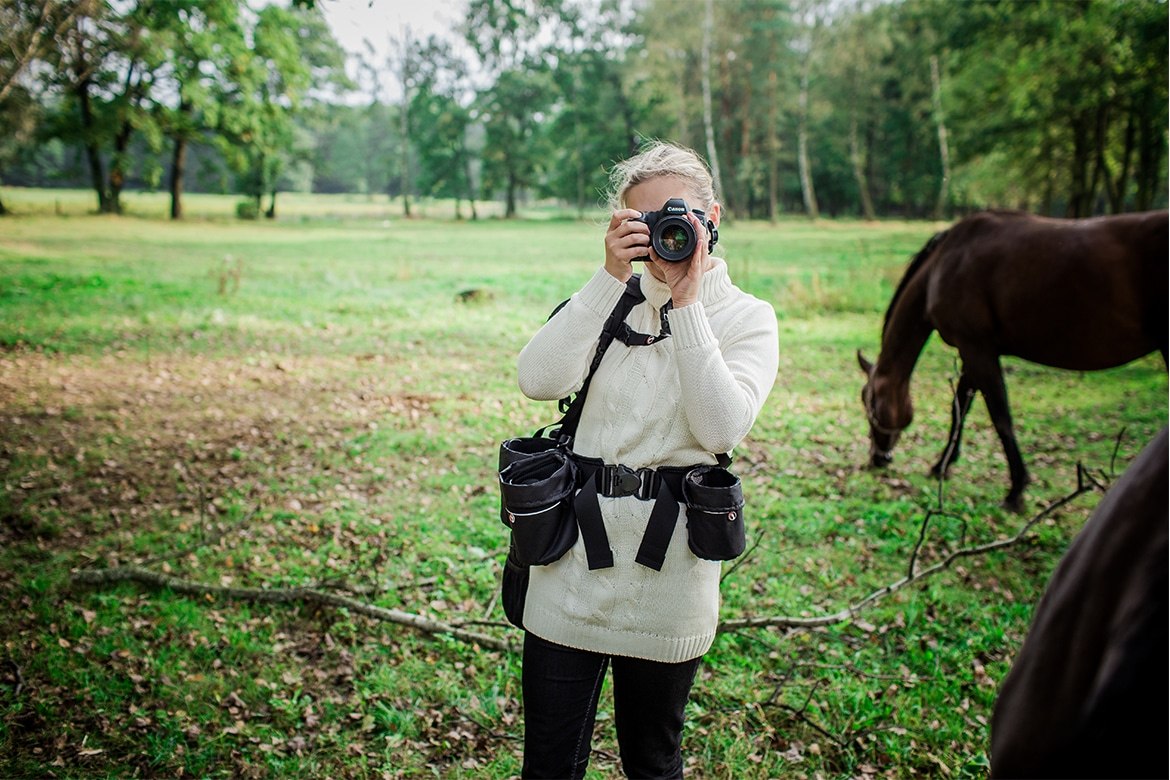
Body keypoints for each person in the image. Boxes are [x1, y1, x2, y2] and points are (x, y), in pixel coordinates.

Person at [514, 140, 779, 779]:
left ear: (712, 216)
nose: (667, 233)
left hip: (670, 580)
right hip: (569, 569)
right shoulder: (609, 301)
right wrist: (608, 278)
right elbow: (537, 379)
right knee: (548, 762)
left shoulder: (747, 318)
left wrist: (687, 304)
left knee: (653, 762)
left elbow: (721, 426)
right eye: (646, 220)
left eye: (679, 215)